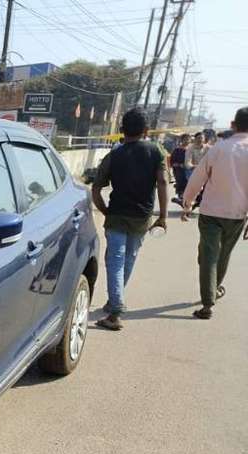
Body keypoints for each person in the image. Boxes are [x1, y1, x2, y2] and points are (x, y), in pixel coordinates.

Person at [90, 108, 168, 331]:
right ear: (146, 130)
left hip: (117, 215)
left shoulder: (114, 155)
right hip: (141, 217)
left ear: (122, 130)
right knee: (129, 258)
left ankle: (115, 310)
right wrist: (162, 216)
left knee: (115, 260)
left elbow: (96, 189)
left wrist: (105, 211)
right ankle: (115, 303)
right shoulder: (157, 152)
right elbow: (163, 183)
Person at [182, 106, 248, 320]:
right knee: (222, 255)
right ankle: (213, 289)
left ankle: (208, 303)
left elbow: (197, 178)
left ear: (232, 125)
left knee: (208, 256)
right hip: (238, 214)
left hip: (211, 213)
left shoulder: (218, 149)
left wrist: (188, 203)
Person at [170, 134, 191, 205]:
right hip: (180, 172)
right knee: (182, 185)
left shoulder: (192, 149)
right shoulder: (177, 150)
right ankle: (182, 200)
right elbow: (172, 162)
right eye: (185, 139)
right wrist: (179, 165)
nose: (187, 141)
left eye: (188, 139)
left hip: (190, 171)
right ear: (182, 140)